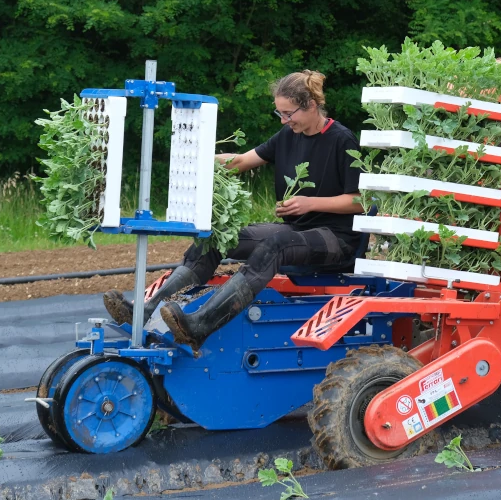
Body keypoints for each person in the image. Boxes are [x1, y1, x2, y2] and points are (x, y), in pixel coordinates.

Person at [102, 70, 364, 351]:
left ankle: (201, 324)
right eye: (280, 114)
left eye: (289, 113)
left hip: (335, 237)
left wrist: (310, 203)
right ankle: (145, 309)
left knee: (276, 245)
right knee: (218, 238)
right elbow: (240, 161)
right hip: (296, 231)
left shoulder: (341, 139)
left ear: (311, 105)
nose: (285, 121)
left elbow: (359, 201)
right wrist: (199, 158)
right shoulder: (288, 135)